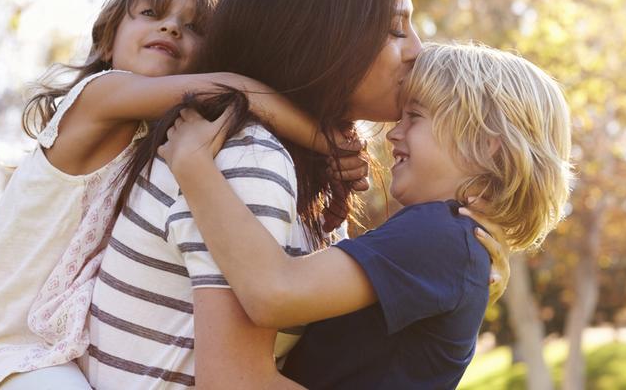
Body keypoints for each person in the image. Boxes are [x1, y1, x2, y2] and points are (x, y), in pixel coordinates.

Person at [84, 0, 510, 389]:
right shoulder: (248, 159)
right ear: (320, 36)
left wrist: (455, 267)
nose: (416, 51)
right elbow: (238, 382)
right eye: (394, 28)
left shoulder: (296, 165)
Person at [0, 0, 331, 390]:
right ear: (107, 42)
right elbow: (233, 89)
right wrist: (329, 141)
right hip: (12, 346)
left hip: (63, 341)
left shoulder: (153, 140)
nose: (171, 29)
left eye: (193, 27)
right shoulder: (99, 96)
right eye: (152, 14)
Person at [159, 41, 572, 389]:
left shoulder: (440, 235)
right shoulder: (452, 243)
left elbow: (274, 293)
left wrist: (193, 165)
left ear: (486, 145)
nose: (393, 132)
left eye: (416, 116)